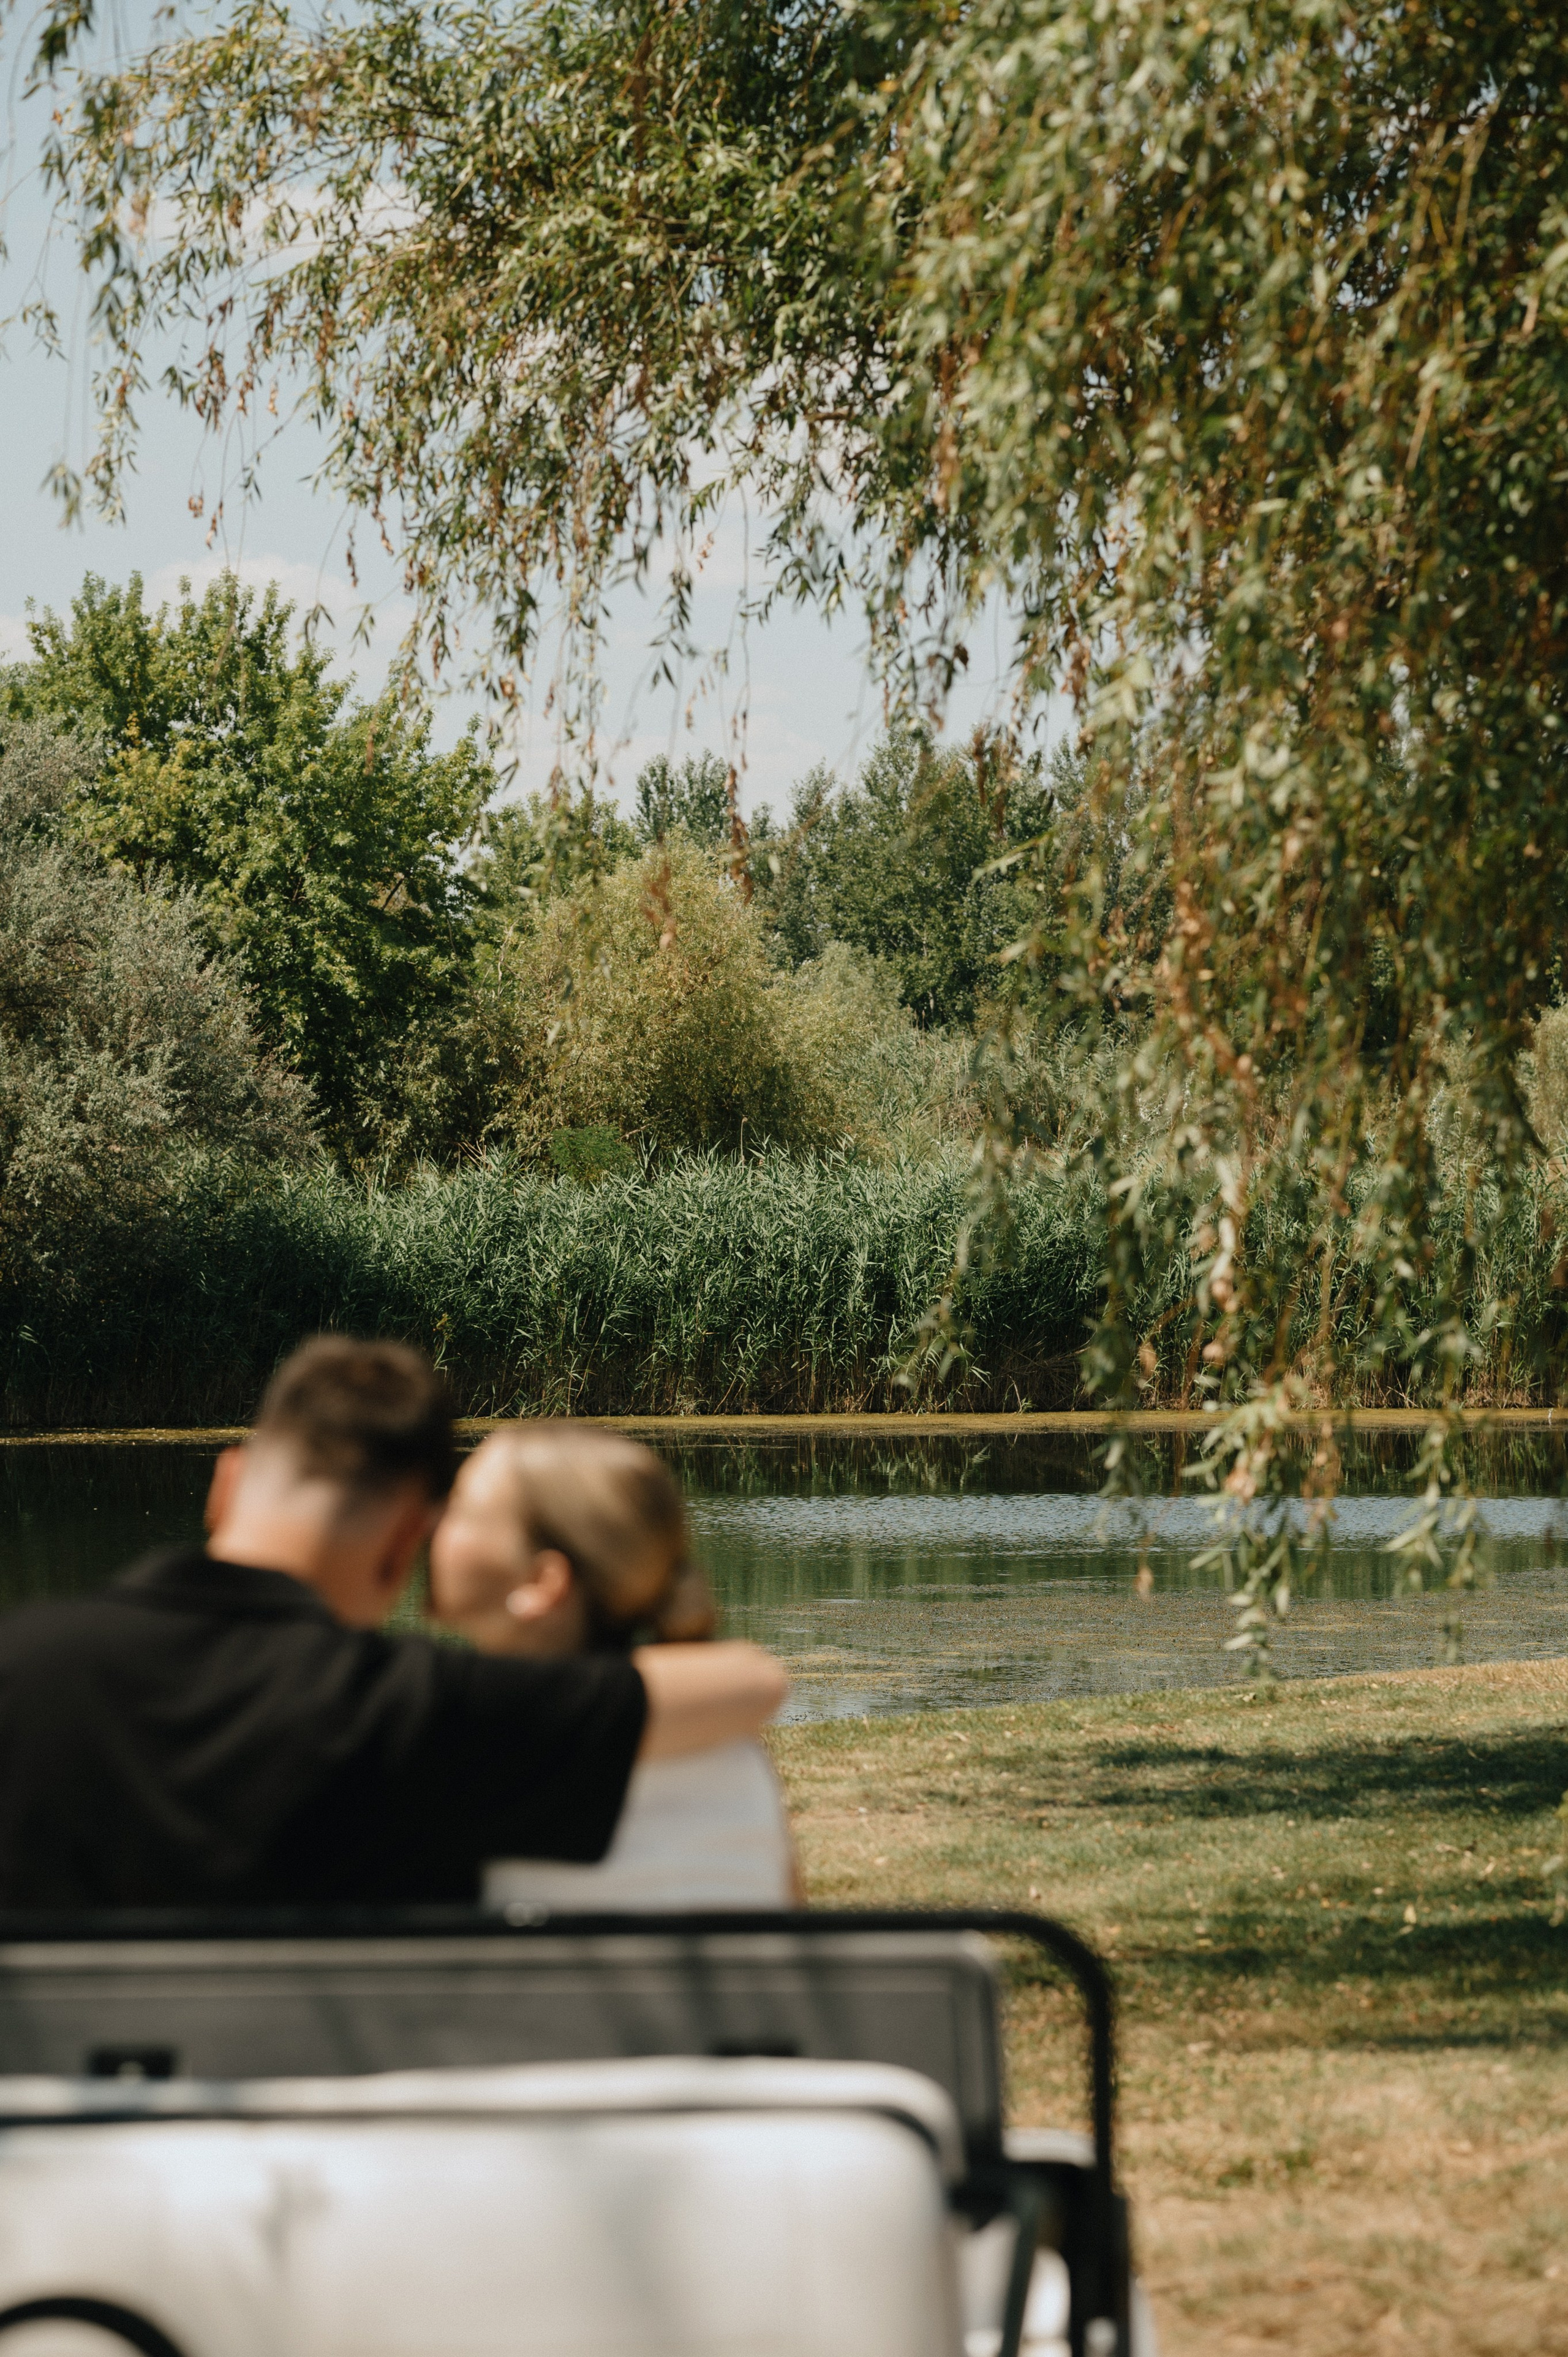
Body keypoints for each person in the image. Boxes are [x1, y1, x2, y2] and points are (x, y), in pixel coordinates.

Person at [0, 1338, 788, 1909]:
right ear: (404, 1542)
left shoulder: (24, 1663)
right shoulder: (404, 1709)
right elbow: (741, 1684)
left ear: (225, 1481)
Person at [430, 1425, 798, 1910]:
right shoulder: (734, 1753)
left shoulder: (471, 1753)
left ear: (543, 1582)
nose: (431, 1521)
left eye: (459, 1505)